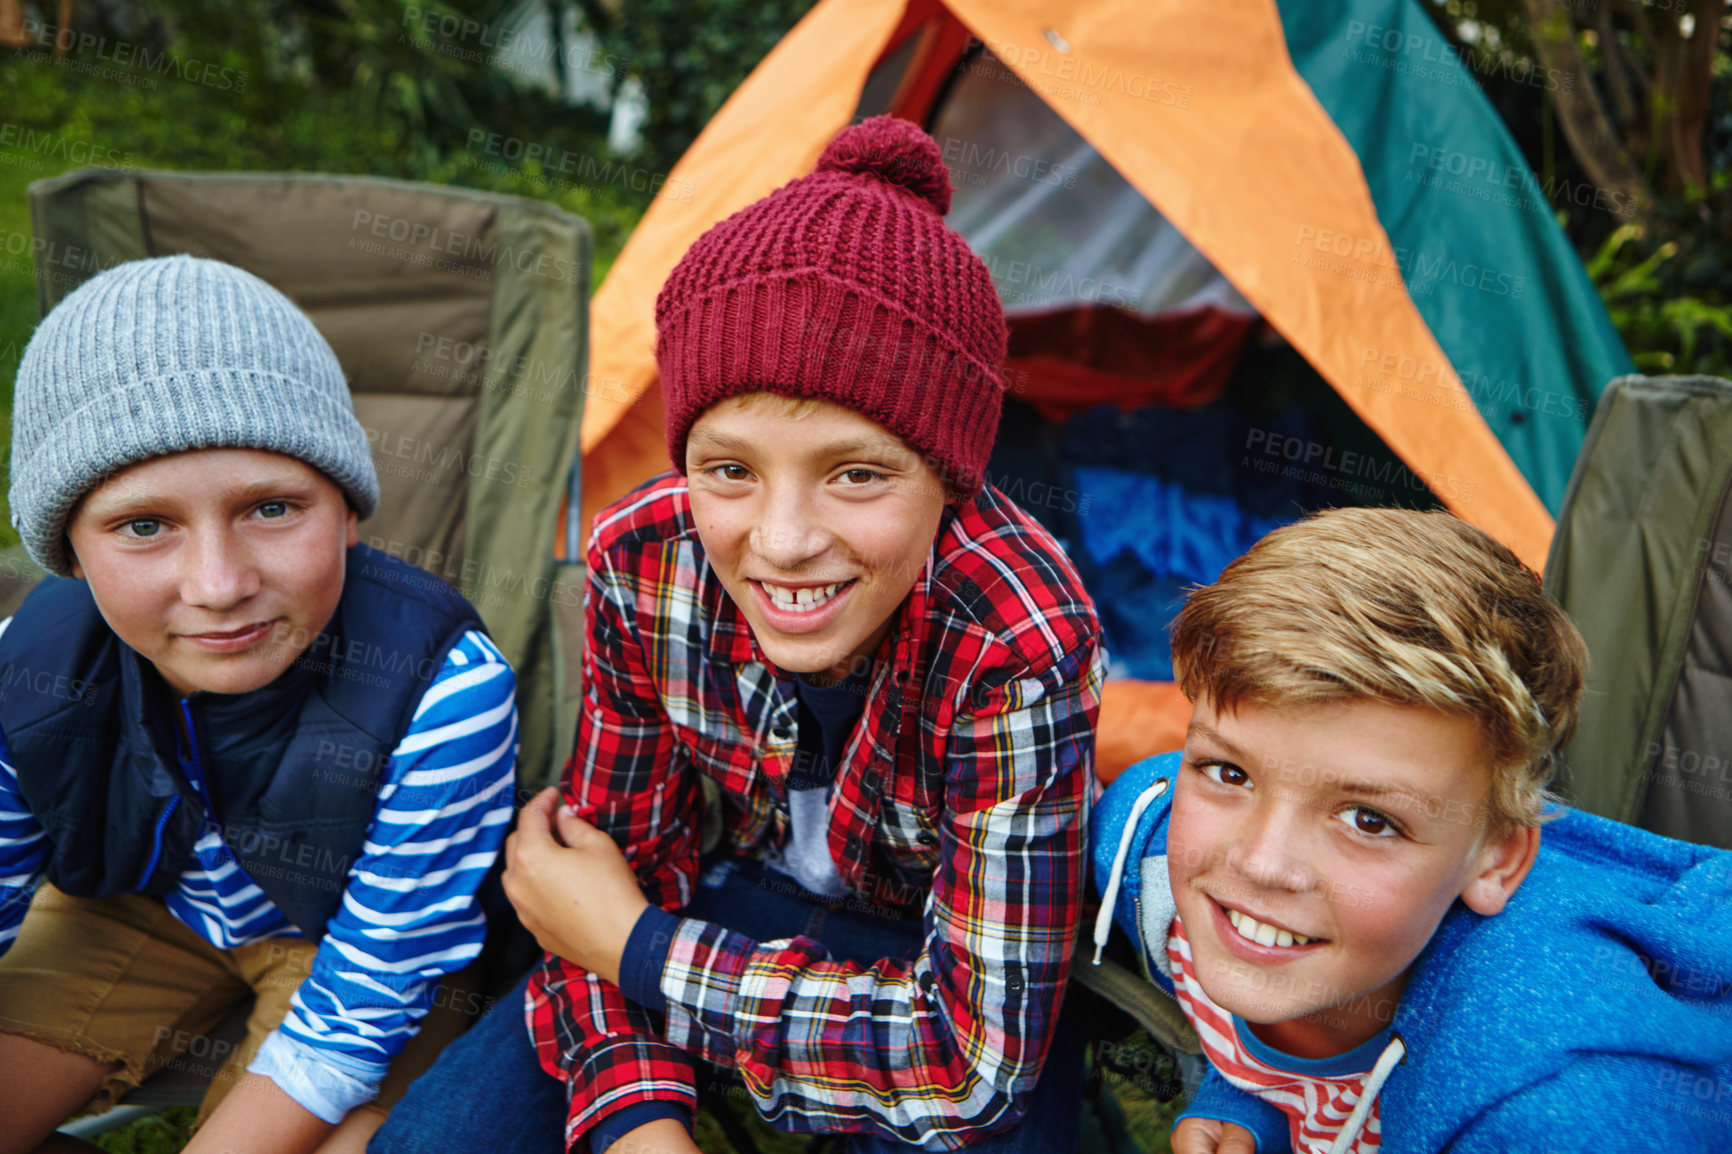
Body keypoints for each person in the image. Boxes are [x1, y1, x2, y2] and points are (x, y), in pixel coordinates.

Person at [370, 116, 1105, 1154]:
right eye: (729, 469)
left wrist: (640, 949)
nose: (785, 539)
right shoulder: (647, 555)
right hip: (737, 900)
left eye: (857, 472)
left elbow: (970, 1065)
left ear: (951, 473)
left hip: (938, 947)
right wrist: (639, 1113)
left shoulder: (1019, 635)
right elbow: (609, 865)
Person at [0, 255, 520, 1154]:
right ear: (72, 554)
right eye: (143, 526)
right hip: (143, 906)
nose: (219, 584)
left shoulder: (445, 689)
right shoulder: (28, 667)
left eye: (272, 508)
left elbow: (364, 1004)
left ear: (350, 512)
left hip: (354, 948)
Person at [1090, 507, 1732, 1153]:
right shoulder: (1140, 847)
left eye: (1370, 821)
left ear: (1497, 860)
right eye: (1229, 773)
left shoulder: (1555, 1110)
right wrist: (1248, 1108)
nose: (1261, 864)